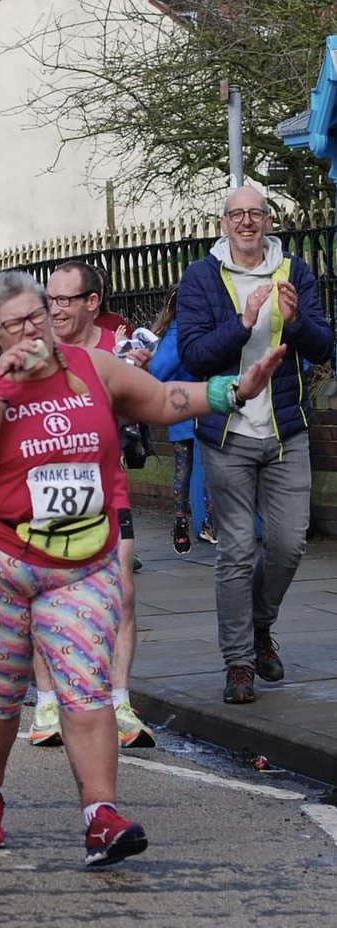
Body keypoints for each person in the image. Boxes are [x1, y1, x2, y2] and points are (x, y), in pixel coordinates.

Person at [0, 268, 284, 866]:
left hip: (79, 561)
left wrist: (234, 391)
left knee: (85, 684)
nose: (32, 330)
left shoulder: (90, 367)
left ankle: (101, 814)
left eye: (38, 315)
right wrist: (0, 387)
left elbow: (160, 400)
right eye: (15, 323)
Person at [177, 185, 334, 705]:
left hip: (285, 430)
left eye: (256, 214)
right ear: (223, 223)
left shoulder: (295, 271)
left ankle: (260, 625)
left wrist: (296, 320)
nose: (247, 222)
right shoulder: (202, 277)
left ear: (269, 221)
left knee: (290, 544)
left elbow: (322, 345)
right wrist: (243, 322)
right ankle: (239, 662)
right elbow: (196, 356)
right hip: (227, 434)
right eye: (236, 214)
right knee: (237, 552)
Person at [29, 261, 155, 751]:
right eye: (50, 299)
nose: (55, 308)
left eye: (64, 300)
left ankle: (120, 703)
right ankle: (45, 706)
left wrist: (136, 379)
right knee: (46, 600)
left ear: (90, 302)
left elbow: (145, 407)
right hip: (44, 489)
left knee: (122, 593)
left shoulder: (114, 351)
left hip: (107, 487)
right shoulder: (35, 349)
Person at [150, 285, 216, 553]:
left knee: (186, 468)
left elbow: (158, 370)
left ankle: (184, 521)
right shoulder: (186, 332)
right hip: (196, 406)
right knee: (200, 467)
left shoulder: (175, 332)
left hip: (187, 408)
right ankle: (204, 522)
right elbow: (159, 369)